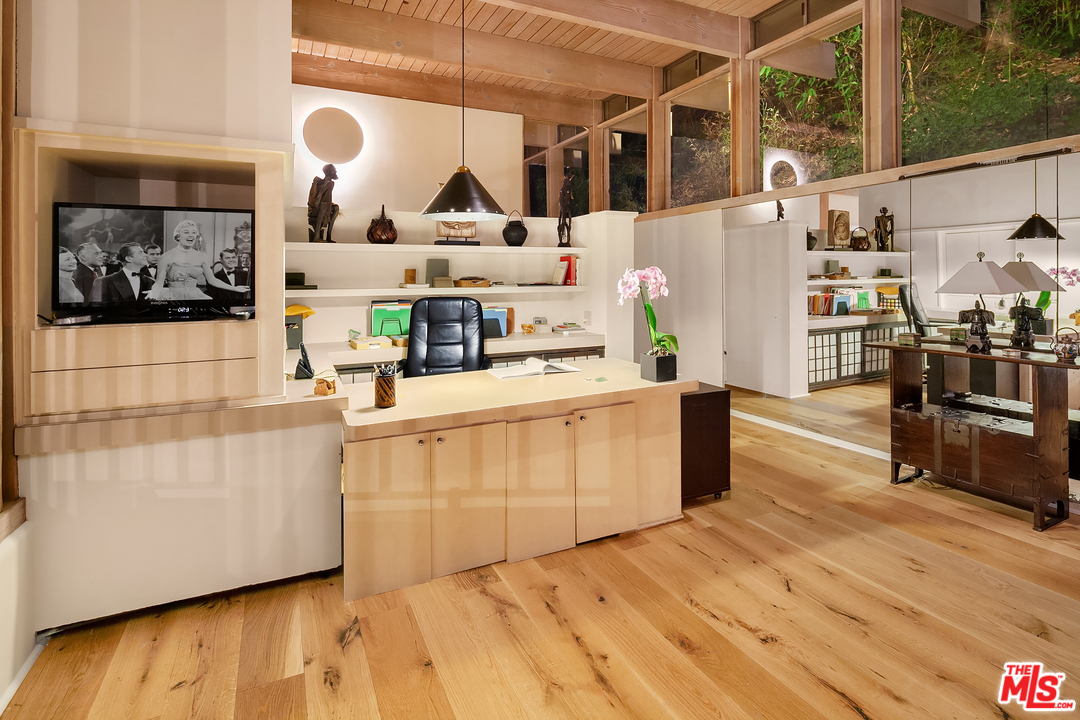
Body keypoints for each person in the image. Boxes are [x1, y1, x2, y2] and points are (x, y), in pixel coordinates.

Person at [147, 220, 248, 301]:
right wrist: (154, 294)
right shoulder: (166, 257)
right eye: (186, 232)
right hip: (172, 296)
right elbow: (159, 283)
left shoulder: (202, 257)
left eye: (194, 233)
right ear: (178, 236)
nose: (191, 235)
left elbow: (212, 280)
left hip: (195, 295)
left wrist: (235, 288)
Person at [308, 164, 339, 242]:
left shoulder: (331, 183)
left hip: (326, 207)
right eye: (333, 170)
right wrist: (325, 183)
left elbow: (327, 197)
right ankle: (316, 237)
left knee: (336, 208)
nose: (335, 172)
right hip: (316, 208)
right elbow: (315, 201)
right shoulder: (318, 182)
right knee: (323, 205)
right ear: (328, 172)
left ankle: (328, 237)